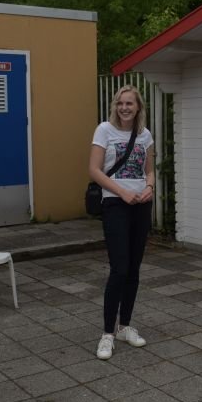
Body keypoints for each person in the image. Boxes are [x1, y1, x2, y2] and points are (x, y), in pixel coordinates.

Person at [89, 85, 155, 360]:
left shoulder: (145, 134)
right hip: (115, 204)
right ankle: (107, 333)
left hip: (141, 204)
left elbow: (149, 170)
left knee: (134, 269)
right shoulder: (104, 130)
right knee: (119, 268)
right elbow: (94, 170)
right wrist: (122, 192)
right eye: (120, 103)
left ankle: (125, 326)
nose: (124, 108)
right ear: (115, 106)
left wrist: (149, 187)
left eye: (129, 103)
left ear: (138, 107)